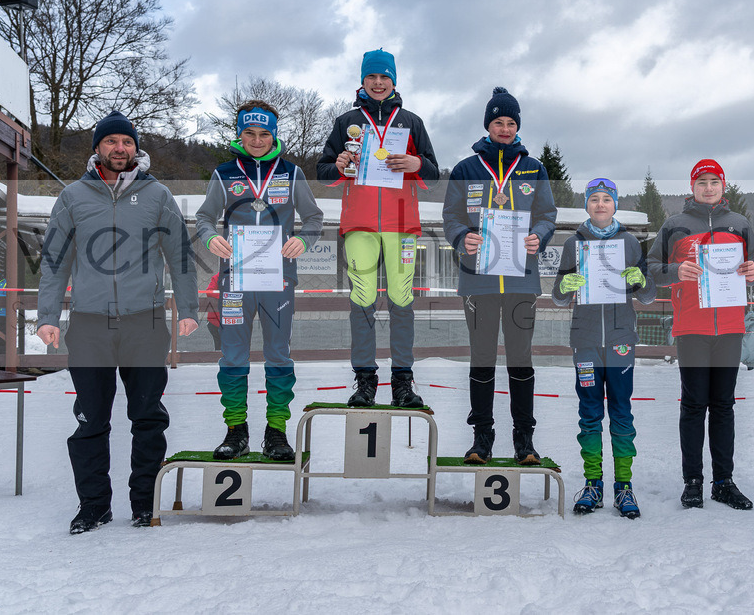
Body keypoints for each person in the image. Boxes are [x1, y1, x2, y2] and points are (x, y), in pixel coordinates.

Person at [36, 111, 199, 534]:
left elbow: (180, 256)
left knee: (147, 416)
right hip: (89, 325)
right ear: (98, 148)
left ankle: (144, 502)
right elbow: (54, 261)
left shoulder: (157, 195)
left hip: (145, 323)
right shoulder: (73, 196)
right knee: (91, 419)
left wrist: (188, 309)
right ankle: (94, 506)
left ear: (136, 149)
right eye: (111, 141)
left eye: (127, 142)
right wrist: (48, 316)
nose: (120, 148)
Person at [196, 100, 323, 462]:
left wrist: (303, 240)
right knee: (233, 354)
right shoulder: (224, 173)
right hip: (235, 279)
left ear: (274, 135)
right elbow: (204, 218)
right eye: (249, 133)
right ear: (239, 135)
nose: (256, 140)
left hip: (278, 279)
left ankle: (276, 430)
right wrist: (210, 237)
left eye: (264, 133)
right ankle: (235, 430)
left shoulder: (291, 173)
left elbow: (314, 218)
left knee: (278, 353)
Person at [316, 49, 439, 408]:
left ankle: (402, 380)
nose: (378, 82)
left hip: (402, 224)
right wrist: (340, 165)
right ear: (362, 81)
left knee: (401, 297)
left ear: (394, 81)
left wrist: (416, 163)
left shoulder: (411, 122)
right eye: (372, 76)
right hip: (360, 223)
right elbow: (324, 173)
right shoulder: (347, 121)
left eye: (385, 77)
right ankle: (365, 380)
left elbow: (433, 173)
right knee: (363, 297)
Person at [442, 87, 558, 465]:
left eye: (511, 122)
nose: (505, 129)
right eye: (498, 122)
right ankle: (482, 438)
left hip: (522, 281)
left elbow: (547, 215)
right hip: (478, 281)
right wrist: (462, 237)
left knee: (520, 359)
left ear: (517, 126)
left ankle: (524, 440)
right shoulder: (466, 169)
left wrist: (538, 236)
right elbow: (451, 217)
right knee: (482, 358)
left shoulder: (534, 168)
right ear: (487, 125)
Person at [648, 159, 754, 511]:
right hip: (691, 327)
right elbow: (651, 269)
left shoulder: (740, 224)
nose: (708, 188)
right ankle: (692, 481)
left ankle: (723, 481)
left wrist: (753, 271)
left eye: (714, 182)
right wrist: (676, 270)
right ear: (692, 186)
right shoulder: (674, 225)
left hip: (730, 327)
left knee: (723, 405)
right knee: (694, 405)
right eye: (702, 182)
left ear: (723, 186)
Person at [552, 179, 656, 519]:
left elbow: (648, 295)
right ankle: (592, 483)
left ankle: (623, 486)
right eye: (594, 199)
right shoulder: (573, 244)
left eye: (606, 199)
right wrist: (564, 287)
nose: (600, 204)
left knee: (621, 411)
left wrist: (641, 281)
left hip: (620, 340)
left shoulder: (629, 242)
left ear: (615, 205)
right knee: (589, 412)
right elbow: (557, 296)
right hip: (585, 341)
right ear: (586, 205)